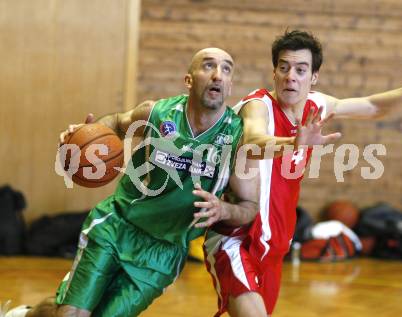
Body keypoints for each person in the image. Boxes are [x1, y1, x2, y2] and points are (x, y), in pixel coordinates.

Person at [5, 48, 261, 317]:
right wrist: (86, 133)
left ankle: (27, 314)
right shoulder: (157, 113)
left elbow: (249, 206)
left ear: (230, 84)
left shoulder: (238, 138)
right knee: (71, 313)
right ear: (189, 80)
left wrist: (224, 210)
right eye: (209, 66)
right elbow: (115, 122)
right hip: (118, 225)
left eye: (226, 69)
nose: (218, 75)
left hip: (163, 252)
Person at [203, 30, 402, 317]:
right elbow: (253, 140)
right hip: (237, 237)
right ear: (274, 72)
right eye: (284, 67)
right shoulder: (258, 105)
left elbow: (374, 106)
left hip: (275, 244)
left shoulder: (317, 106)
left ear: (313, 77)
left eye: (301, 70)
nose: (291, 76)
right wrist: (294, 143)